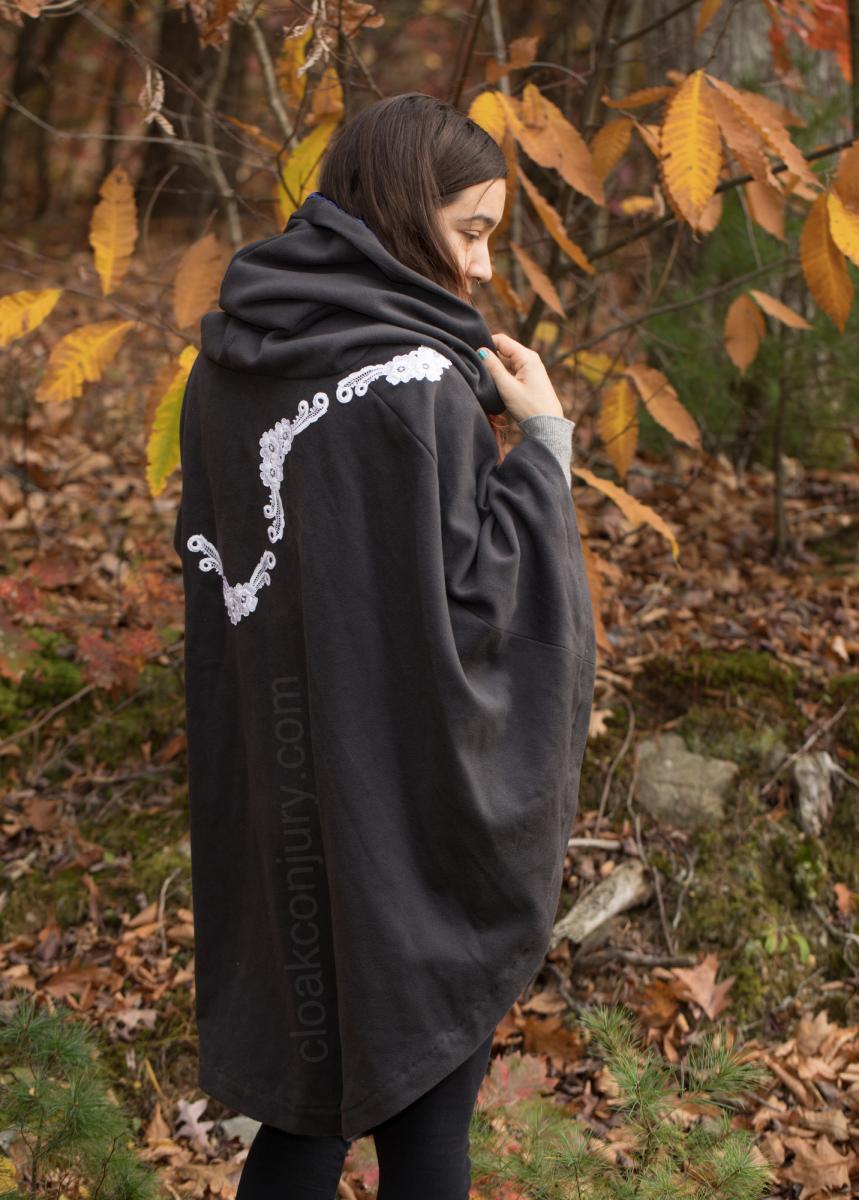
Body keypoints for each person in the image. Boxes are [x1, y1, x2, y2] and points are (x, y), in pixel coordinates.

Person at [173, 91, 596, 1199]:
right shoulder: (414, 383)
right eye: (470, 230)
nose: (482, 264)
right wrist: (543, 444)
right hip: (408, 814)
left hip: (278, 798)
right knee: (427, 1124)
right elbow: (484, 605)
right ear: (406, 211)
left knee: (304, 1115)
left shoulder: (224, 359)